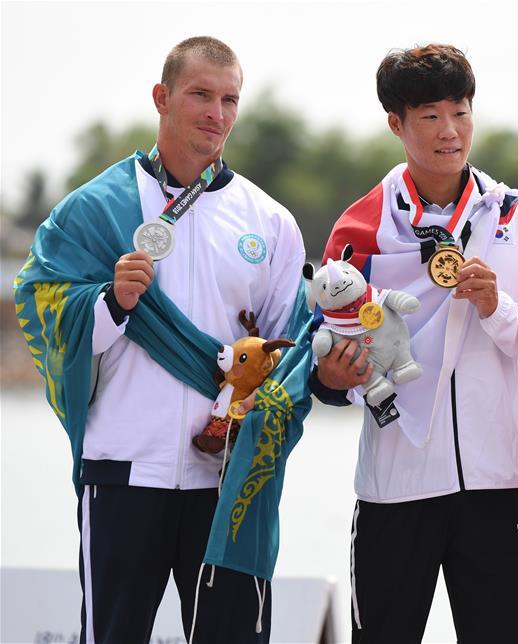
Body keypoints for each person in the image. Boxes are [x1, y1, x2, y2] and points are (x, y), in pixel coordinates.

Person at [14, 37, 311, 644]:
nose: (217, 113)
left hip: (228, 479)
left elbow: (294, 348)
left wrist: (268, 401)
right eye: (200, 94)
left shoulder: (270, 222)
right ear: (162, 97)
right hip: (124, 472)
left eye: (229, 99)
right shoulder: (94, 209)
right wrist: (110, 304)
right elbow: (40, 309)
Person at [310, 44, 518, 643]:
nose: (449, 131)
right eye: (429, 116)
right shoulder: (360, 228)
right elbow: (325, 360)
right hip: (394, 486)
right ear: (396, 124)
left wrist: (497, 308)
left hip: (499, 483)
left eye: (460, 111)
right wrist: (336, 374)